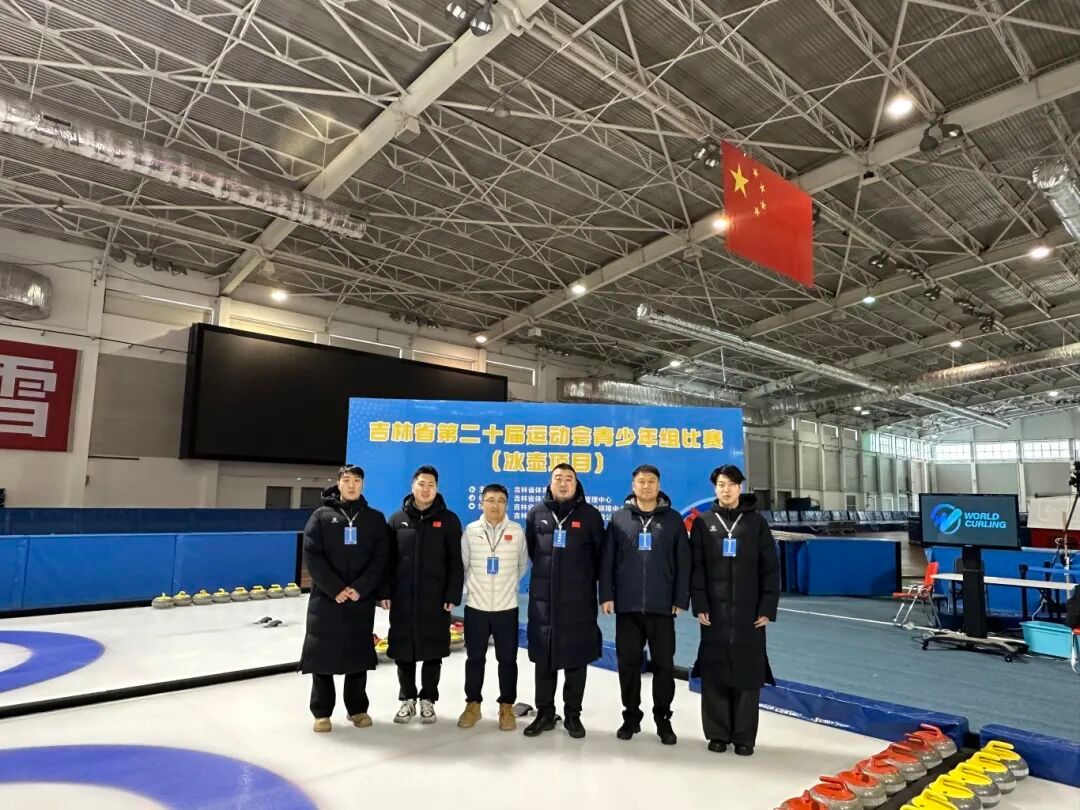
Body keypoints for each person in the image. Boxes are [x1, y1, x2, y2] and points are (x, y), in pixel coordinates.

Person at [689, 464, 780, 756]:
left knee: (747, 673)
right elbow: (696, 568)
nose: (725, 489)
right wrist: (700, 604)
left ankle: (744, 737)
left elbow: (770, 568)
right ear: (714, 489)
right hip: (713, 612)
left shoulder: (756, 523)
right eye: (720, 484)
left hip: (749, 613)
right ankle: (717, 734)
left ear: (740, 487)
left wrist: (767, 606)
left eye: (730, 484)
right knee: (714, 672)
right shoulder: (703, 523)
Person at [600, 464, 690, 745]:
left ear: (659, 485)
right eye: (641, 481)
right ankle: (631, 716)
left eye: (651, 481)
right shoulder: (619, 519)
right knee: (628, 665)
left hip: (662, 607)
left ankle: (663, 719)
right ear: (633, 485)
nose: (646, 486)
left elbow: (684, 561)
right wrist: (606, 595)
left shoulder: (673, 520)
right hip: (627, 607)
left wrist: (680, 598)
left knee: (664, 666)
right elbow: (607, 560)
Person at [301, 464, 390, 733]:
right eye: (347, 480)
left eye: (357, 481)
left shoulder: (374, 518)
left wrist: (361, 587)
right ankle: (321, 712)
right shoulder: (321, 516)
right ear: (338, 483)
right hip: (326, 598)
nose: (352, 485)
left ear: (363, 485)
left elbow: (381, 558)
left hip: (359, 599)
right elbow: (312, 555)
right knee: (322, 654)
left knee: (357, 655)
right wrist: (335, 588)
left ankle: (357, 709)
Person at [523, 463, 604, 739]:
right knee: (543, 660)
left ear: (576, 484)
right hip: (543, 601)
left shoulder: (590, 515)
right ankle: (545, 713)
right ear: (550, 482)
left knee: (576, 660)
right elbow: (533, 551)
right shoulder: (536, 513)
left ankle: (573, 715)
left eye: (569, 478)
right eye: (558, 478)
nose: (563, 483)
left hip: (578, 602)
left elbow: (599, 557)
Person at [381, 465, 464, 725]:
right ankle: (407, 698)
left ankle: (428, 699)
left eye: (431, 485)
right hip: (403, 597)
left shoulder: (449, 520)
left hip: (435, 598)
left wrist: (452, 594)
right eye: (421, 484)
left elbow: (455, 562)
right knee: (403, 650)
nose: (426, 489)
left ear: (436, 488)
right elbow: (387, 561)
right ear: (413, 486)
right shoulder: (397, 520)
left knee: (433, 651)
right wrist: (385, 592)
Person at [457, 483, 529, 731]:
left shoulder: (517, 531)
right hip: (476, 607)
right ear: (482, 503)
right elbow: (464, 565)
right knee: (474, 658)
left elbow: (522, 565)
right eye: (490, 500)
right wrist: (473, 589)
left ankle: (506, 706)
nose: (495, 505)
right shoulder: (471, 531)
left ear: (506, 504)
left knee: (507, 660)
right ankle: (473, 704)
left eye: (500, 500)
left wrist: (508, 586)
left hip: (506, 608)